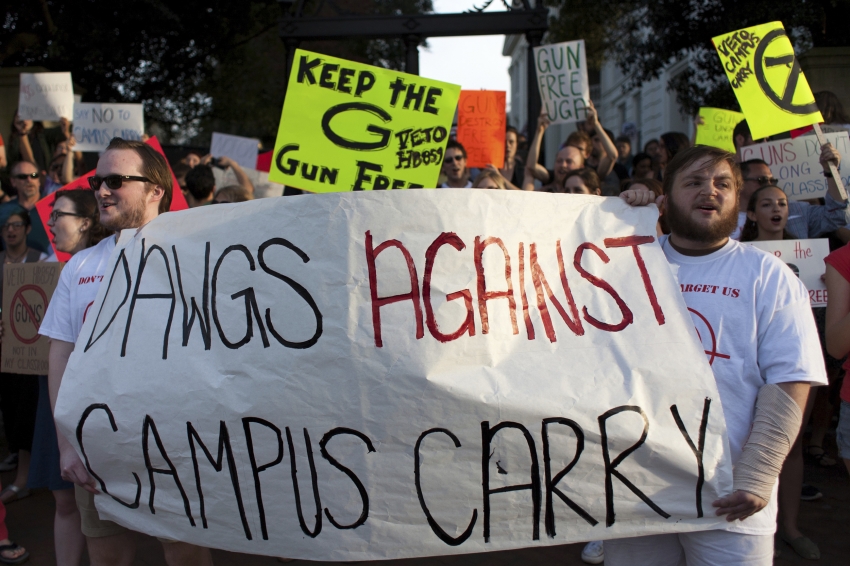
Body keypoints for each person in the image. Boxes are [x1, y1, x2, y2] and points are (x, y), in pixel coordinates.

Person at [609, 145, 825, 565]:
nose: (709, 191)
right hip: (633, 486)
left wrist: (759, 473)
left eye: (722, 183)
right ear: (665, 198)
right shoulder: (626, 264)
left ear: (738, 199)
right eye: (693, 182)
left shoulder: (769, 275)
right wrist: (619, 218)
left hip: (730, 495)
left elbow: (790, 378)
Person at [40, 138, 213, 565]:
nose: (101, 190)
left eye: (115, 181)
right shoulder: (79, 267)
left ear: (155, 190)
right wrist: (67, 444)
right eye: (98, 181)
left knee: (185, 556)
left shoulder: (196, 255)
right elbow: (60, 356)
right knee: (108, 557)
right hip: (96, 448)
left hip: (175, 445)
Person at [30, 189, 112, 566]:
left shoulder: (115, 262)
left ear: (84, 222)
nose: (49, 223)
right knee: (63, 498)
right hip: (55, 393)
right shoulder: (60, 267)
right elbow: (55, 346)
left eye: (57, 215)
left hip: (94, 406)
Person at [0, 208, 46, 507]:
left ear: (28, 229)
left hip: (30, 352)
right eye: (6, 226)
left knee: (25, 410)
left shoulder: (42, 261)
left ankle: (24, 478)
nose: (11, 230)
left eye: (16, 225)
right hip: (5, 349)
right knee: (10, 408)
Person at [734, 151, 846, 240]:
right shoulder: (726, 218)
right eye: (761, 180)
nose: (768, 184)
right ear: (739, 183)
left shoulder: (796, 210)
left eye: (772, 180)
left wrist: (831, 172)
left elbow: (837, 215)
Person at [523, 111, 585, 191]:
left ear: (581, 167)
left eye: (569, 161)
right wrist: (539, 132)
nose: (563, 165)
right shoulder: (545, 190)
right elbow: (531, 166)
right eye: (559, 161)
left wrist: (596, 125)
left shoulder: (586, 192)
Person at [1, 161, 51, 253]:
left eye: (34, 175)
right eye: (22, 177)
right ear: (13, 182)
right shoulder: (4, 210)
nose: (29, 180)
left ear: (39, 180)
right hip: (12, 261)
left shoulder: (53, 206)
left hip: (49, 262)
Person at [491, 126, 523, 190]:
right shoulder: (492, 168)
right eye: (503, 142)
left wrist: (498, 176)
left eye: (511, 142)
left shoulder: (523, 169)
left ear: (517, 144)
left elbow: (525, 194)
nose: (507, 145)